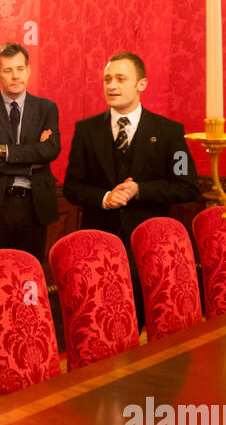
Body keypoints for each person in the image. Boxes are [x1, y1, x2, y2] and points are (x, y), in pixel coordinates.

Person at [63, 51, 200, 323]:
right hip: (98, 247)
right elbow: (72, 187)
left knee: (147, 320)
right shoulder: (86, 130)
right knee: (99, 321)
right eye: (107, 79)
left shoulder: (170, 132)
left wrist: (140, 190)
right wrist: (104, 197)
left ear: (141, 84)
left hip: (150, 248)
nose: (112, 86)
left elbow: (187, 186)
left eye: (121, 79)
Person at [0, 42, 62, 266]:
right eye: (8, 70)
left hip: (34, 205)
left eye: (20, 69)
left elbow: (50, 150)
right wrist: (31, 162)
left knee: (29, 274)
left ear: (28, 70)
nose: (15, 76)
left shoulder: (47, 108)